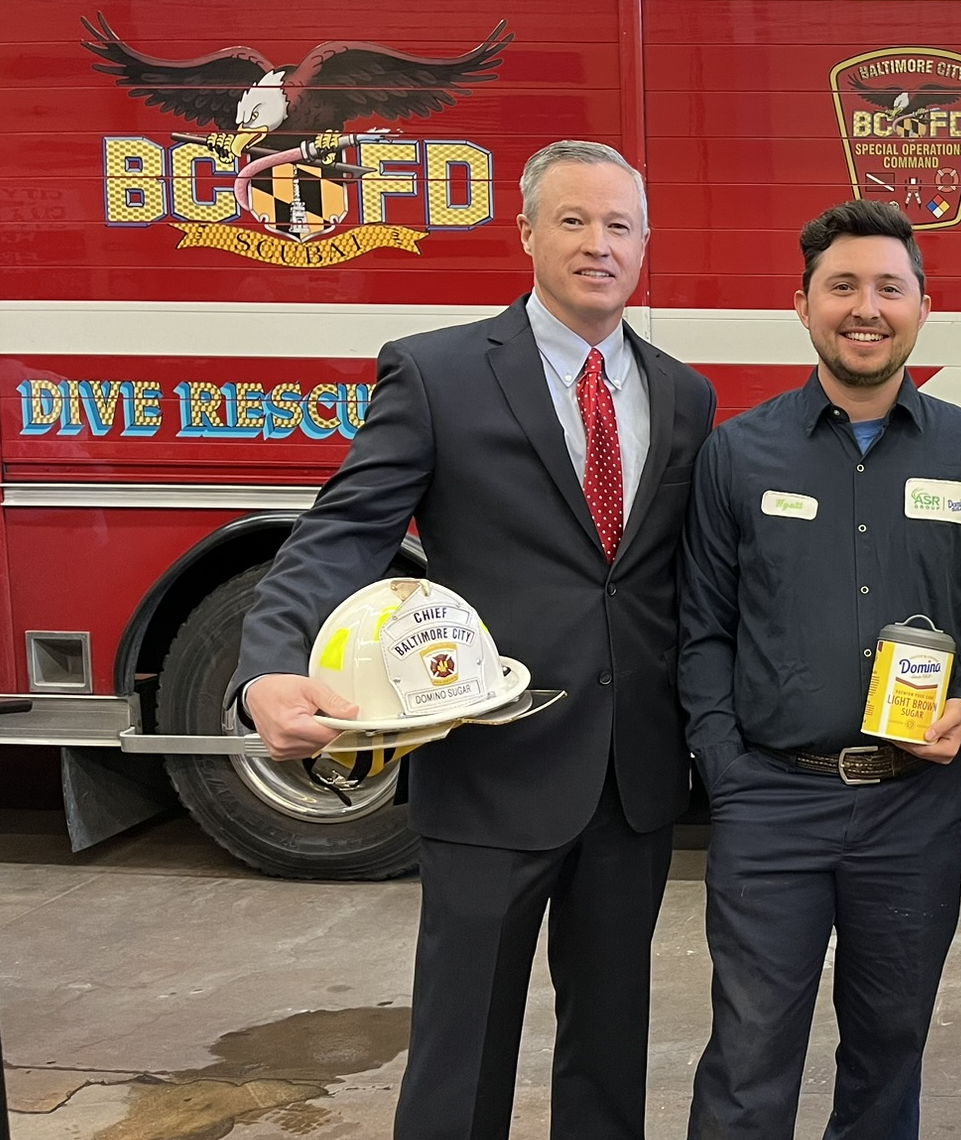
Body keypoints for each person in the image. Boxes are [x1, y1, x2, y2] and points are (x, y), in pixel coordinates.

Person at [233, 140, 716, 1140]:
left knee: (610, 1050)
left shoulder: (684, 395)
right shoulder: (439, 372)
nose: (597, 244)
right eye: (573, 221)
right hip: (492, 768)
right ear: (528, 233)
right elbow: (345, 531)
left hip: (630, 781)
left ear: (645, 246)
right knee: (461, 1049)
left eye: (619, 225)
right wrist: (269, 666)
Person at [678, 199, 961, 1140]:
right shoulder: (738, 453)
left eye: (889, 287)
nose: (865, 307)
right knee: (750, 1051)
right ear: (800, 306)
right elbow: (702, 626)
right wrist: (724, 768)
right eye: (841, 286)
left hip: (911, 811)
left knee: (889, 1045)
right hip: (772, 802)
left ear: (925, 307)